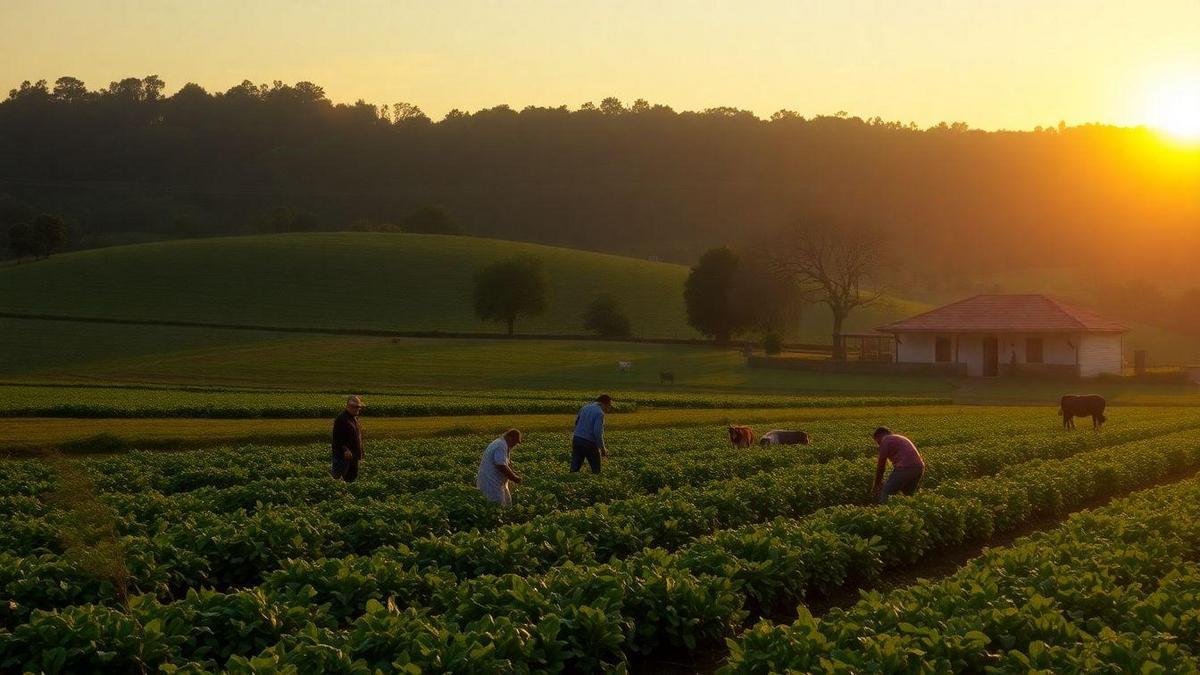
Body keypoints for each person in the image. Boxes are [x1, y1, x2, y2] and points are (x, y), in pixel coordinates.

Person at [871, 426, 925, 504]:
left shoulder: (885, 440)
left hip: (905, 468)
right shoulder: (900, 438)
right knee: (908, 495)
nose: (878, 444)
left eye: (877, 441)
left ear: (879, 436)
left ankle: (884, 512)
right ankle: (910, 512)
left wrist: (876, 485)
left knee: (886, 492)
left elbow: (881, 466)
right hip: (919, 468)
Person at [476, 428, 523, 506]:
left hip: (499, 482)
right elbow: (501, 465)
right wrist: (514, 478)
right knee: (497, 505)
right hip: (491, 482)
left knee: (507, 503)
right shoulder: (500, 445)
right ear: (510, 438)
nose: (515, 445)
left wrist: (513, 473)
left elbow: (506, 463)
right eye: (515, 442)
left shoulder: (502, 443)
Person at [571, 394, 613, 474]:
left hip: (576, 439)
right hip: (589, 442)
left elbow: (576, 422)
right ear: (604, 404)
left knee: (575, 467)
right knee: (596, 469)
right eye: (609, 405)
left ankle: (570, 482)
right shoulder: (599, 413)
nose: (608, 408)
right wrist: (602, 448)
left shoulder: (585, 407)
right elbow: (597, 432)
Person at [331, 395, 365, 482]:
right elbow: (337, 438)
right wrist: (345, 449)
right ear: (348, 407)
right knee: (339, 481)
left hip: (353, 457)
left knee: (351, 480)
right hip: (343, 458)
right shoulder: (341, 419)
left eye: (358, 407)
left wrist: (361, 453)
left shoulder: (354, 418)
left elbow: (357, 436)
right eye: (355, 407)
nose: (357, 409)